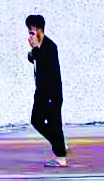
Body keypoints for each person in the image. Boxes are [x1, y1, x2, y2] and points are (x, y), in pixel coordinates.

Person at [26, 14, 68, 166]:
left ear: (39, 31)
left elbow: (51, 74)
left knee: (54, 123)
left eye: (32, 33)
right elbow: (34, 59)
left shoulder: (50, 47)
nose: (29, 37)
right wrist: (32, 54)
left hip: (52, 93)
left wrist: (50, 97)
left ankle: (61, 157)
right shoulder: (37, 49)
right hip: (41, 93)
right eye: (29, 33)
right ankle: (60, 144)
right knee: (36, 120)